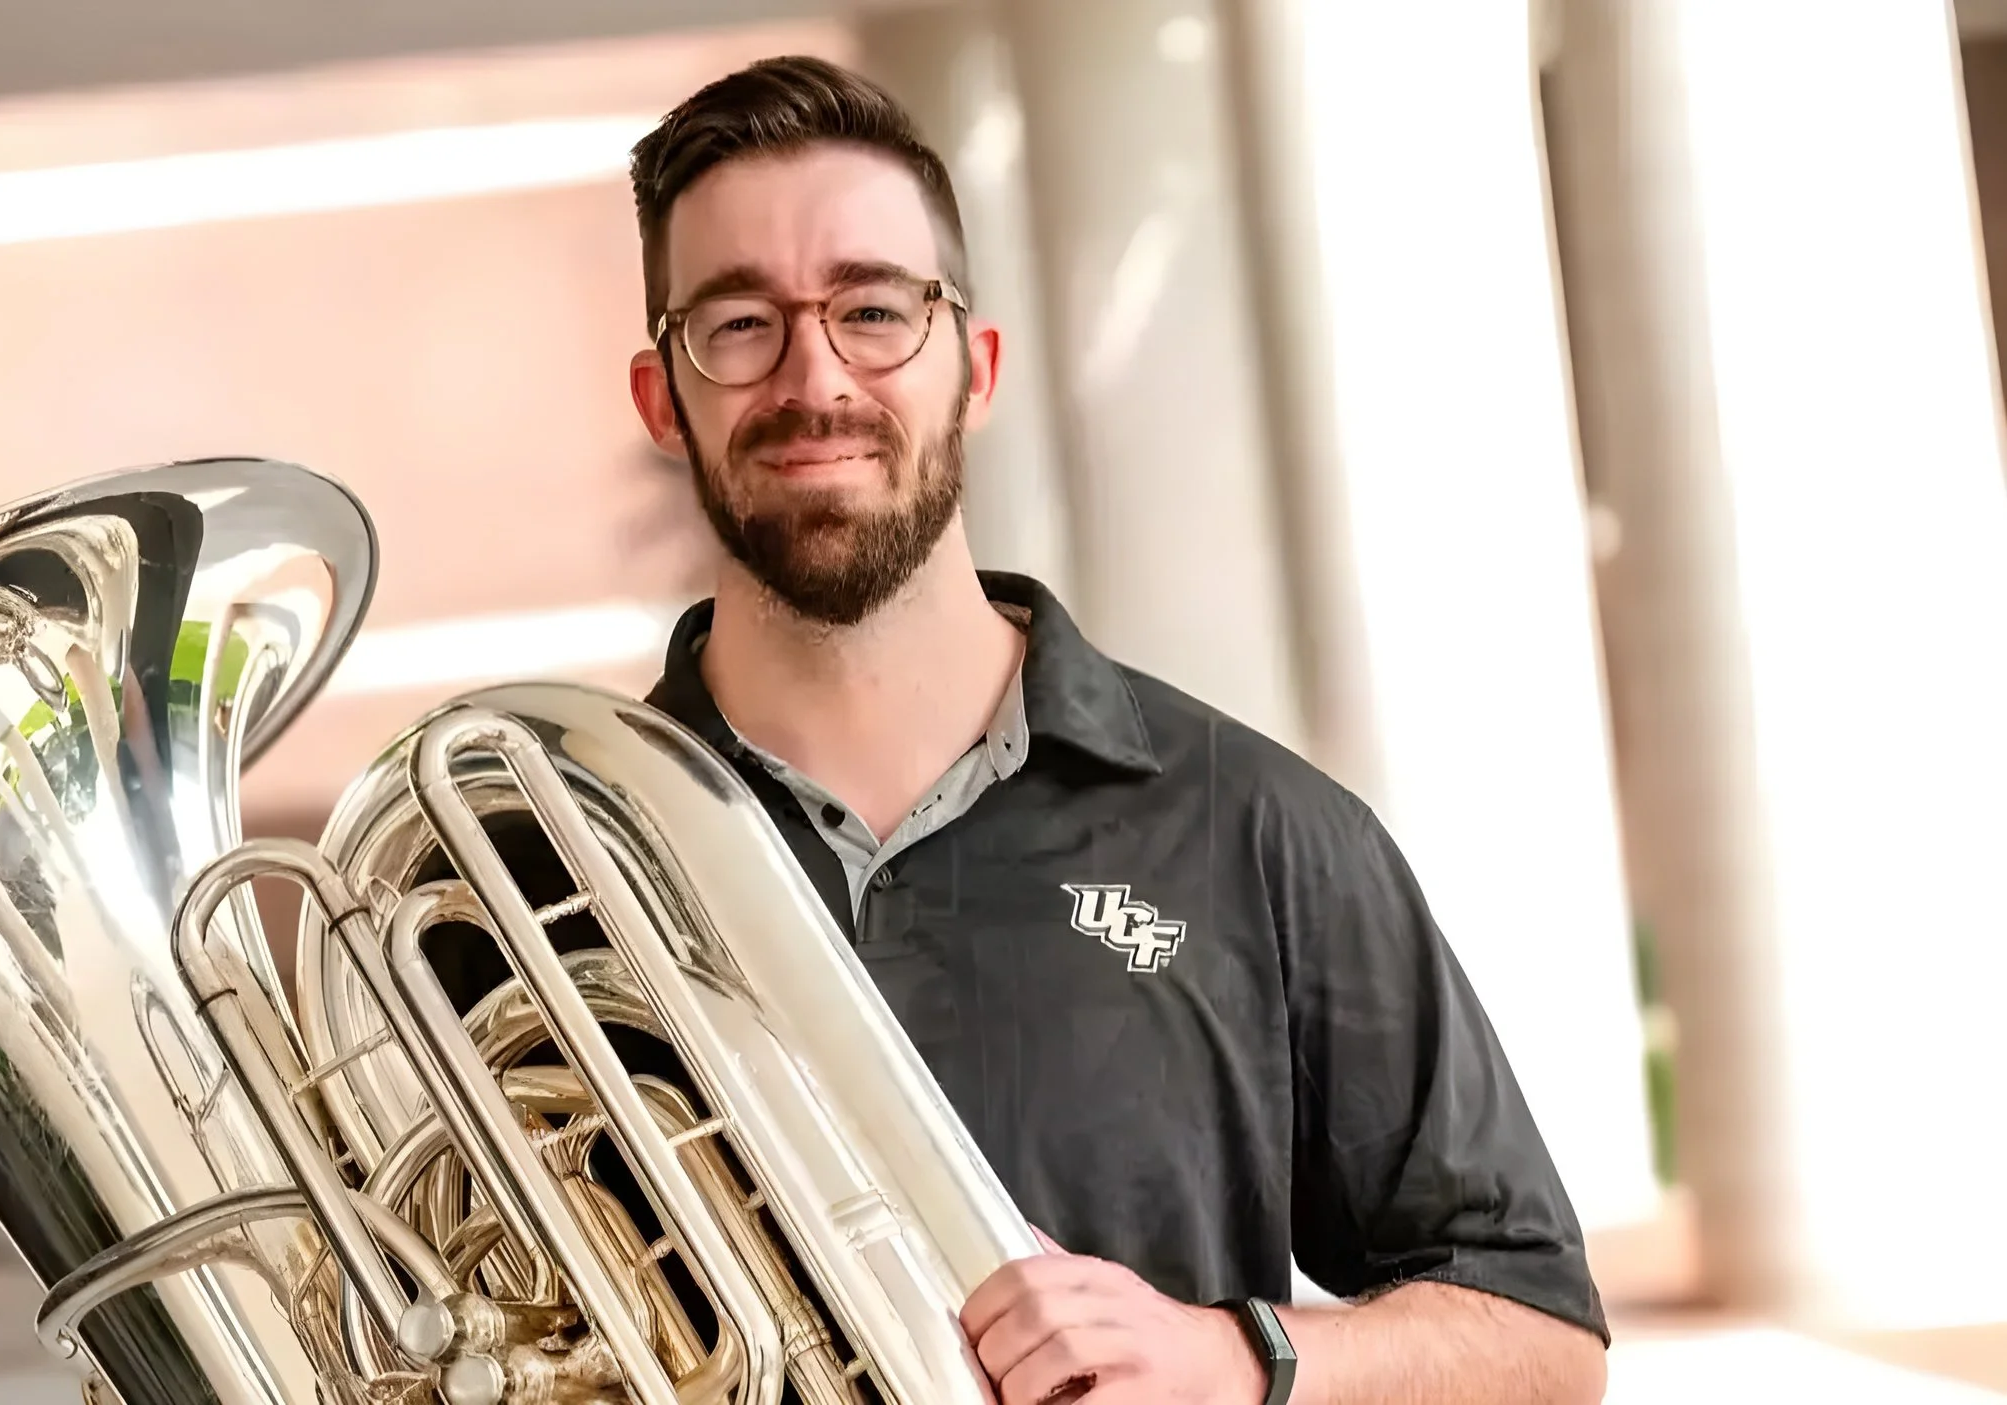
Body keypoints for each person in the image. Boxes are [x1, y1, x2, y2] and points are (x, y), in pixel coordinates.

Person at [614, 55, 1611, 1405]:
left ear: (973, 369)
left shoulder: (1253, 831)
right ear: (662, 398)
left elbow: (1542, 1343)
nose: (815, 376)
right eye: (739, 324)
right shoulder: (533, 867)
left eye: (873, 311)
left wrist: (1233, 1357)